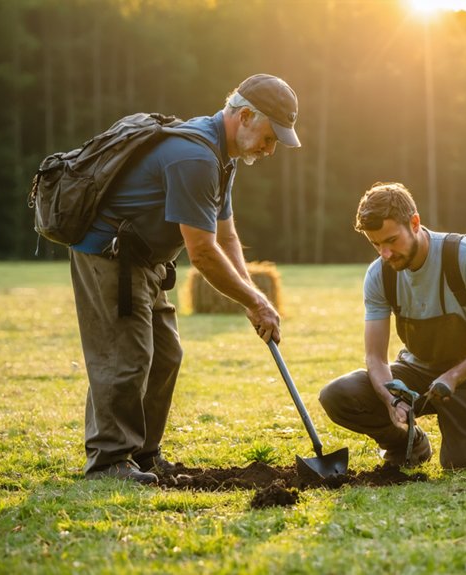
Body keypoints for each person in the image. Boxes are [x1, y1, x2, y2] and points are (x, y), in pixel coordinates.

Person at [69, 74, 301, 484]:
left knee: (166, 353)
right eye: (269, 138)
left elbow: (226, 235)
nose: (269, 150)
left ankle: (143, 454)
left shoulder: (220, 157)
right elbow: (203, 253)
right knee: (128, 356)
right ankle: (108, 462)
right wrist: (255, 301)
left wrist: (251, 296)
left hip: (145, 260)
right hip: (108, 256)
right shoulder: (194, 157)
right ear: (245, 116)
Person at [319, 182, 466, 469]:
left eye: (391, 240)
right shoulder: (380, 275)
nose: (385, 253)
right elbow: (375, 357)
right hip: (415, 371)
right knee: (337, 395)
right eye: (376, 244)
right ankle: (408, 443)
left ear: (414, 223)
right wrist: (390, 398)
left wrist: (454, 376)